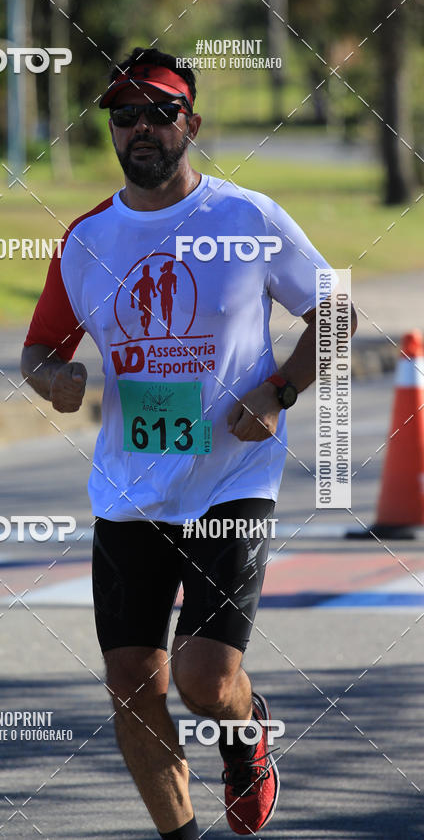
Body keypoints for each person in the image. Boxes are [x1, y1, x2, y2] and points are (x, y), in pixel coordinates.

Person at [21, 46, 357, 838]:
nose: (140, 127)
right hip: (131, 488)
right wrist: (52, 379)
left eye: (159, 111)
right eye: (124, 113)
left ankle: (247, 739)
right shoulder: (86, 239)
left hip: (232, 478)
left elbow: (334, 314)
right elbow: (39, 350)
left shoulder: (247, 219)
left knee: (207, 678)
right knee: (133, 682)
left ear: (190, 123)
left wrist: (279, 390)